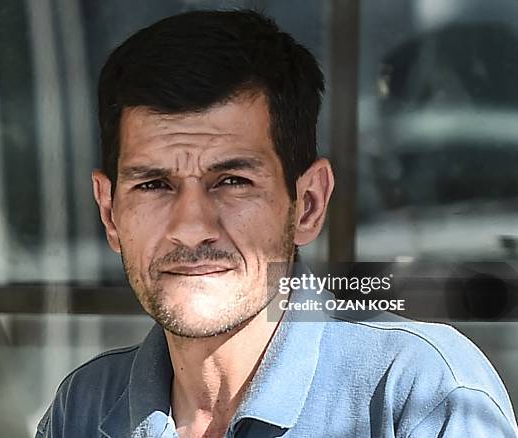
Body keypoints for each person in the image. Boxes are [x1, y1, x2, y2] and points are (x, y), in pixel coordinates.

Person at [36, 10, 518, 437]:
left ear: (307, 204)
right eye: (153, 185)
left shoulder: (416, 394)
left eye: (231, 181)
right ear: (109, 212)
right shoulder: (84, 405)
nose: (190, 226)